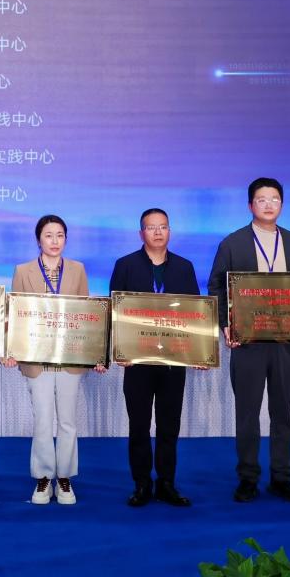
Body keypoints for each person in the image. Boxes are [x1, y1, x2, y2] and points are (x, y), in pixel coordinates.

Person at [208, 178, 290, 504]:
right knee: (247, 413)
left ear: (282, 204)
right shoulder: (232, 243)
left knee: (283, 413)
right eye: (262, 199)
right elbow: (216, 287)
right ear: (250, 205)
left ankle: (282, 478)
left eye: (275, 199)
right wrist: (225, 324)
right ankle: (248, 478)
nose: (269, 205)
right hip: (248, 343)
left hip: (286, 343)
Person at [2, 214, 101, 506]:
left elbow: (87, 315)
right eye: (48, 235)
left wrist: (94, 353)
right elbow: (15, 315)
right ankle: (44, 477)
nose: (55, 241)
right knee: (43, 421)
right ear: (38, 240)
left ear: (66, 239)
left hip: (69, 359)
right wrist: (10, 350)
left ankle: (65, 477)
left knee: (68, 421)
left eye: (60, 235)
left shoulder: (77, 269)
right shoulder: (23, 271)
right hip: (37, 360)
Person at [110, 208, 202, 508]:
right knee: (138, 426)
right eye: (151, 227)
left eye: (163, 227)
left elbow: (196, 314)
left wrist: (200, 351)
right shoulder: (125, 265)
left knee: (168, 426)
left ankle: (166, 483)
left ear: (169, 231)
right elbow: (115, 312)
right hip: (137, 362)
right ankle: (141, 484)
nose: (158, 232)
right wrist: (119, 349)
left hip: (173, 361)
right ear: (141, 233)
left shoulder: (184, 267)